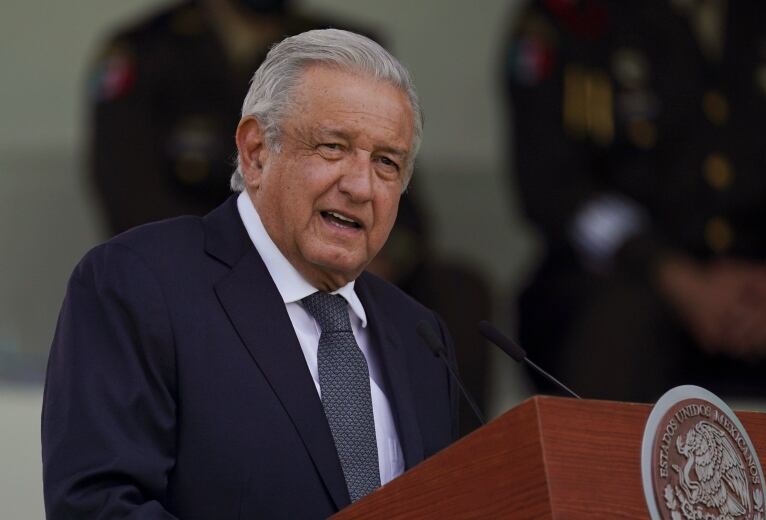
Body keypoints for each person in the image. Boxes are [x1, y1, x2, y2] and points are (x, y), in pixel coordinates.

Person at [43, 29, 458, 518]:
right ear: (257, 151)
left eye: (387, 162)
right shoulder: (138, 283)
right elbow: (98, 507)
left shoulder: (421, 337)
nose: (360, 186)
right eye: (333, 147)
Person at [504, 0, 766, 402]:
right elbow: (554, 190)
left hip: (762, 280)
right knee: (618, 321)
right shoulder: (572, 19)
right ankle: (598, 465)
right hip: (625, 275)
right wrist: (669, 272)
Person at [89, 0, 376, 235]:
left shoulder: (349, 52)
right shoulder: (145, 52)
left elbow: (387, 191)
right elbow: (130, 198)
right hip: (184, 281)